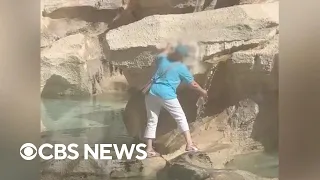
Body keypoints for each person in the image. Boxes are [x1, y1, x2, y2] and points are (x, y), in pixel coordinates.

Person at [144, 43, 208, 157]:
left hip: (152, 92)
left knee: (152, 120)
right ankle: (189, 144)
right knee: (181, 117)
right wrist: (203, 91)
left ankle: (149, 149)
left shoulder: (163, 60)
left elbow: (161, 54)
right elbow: (193, 84)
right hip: (167, 94)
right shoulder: (181, 67)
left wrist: (168, 47)